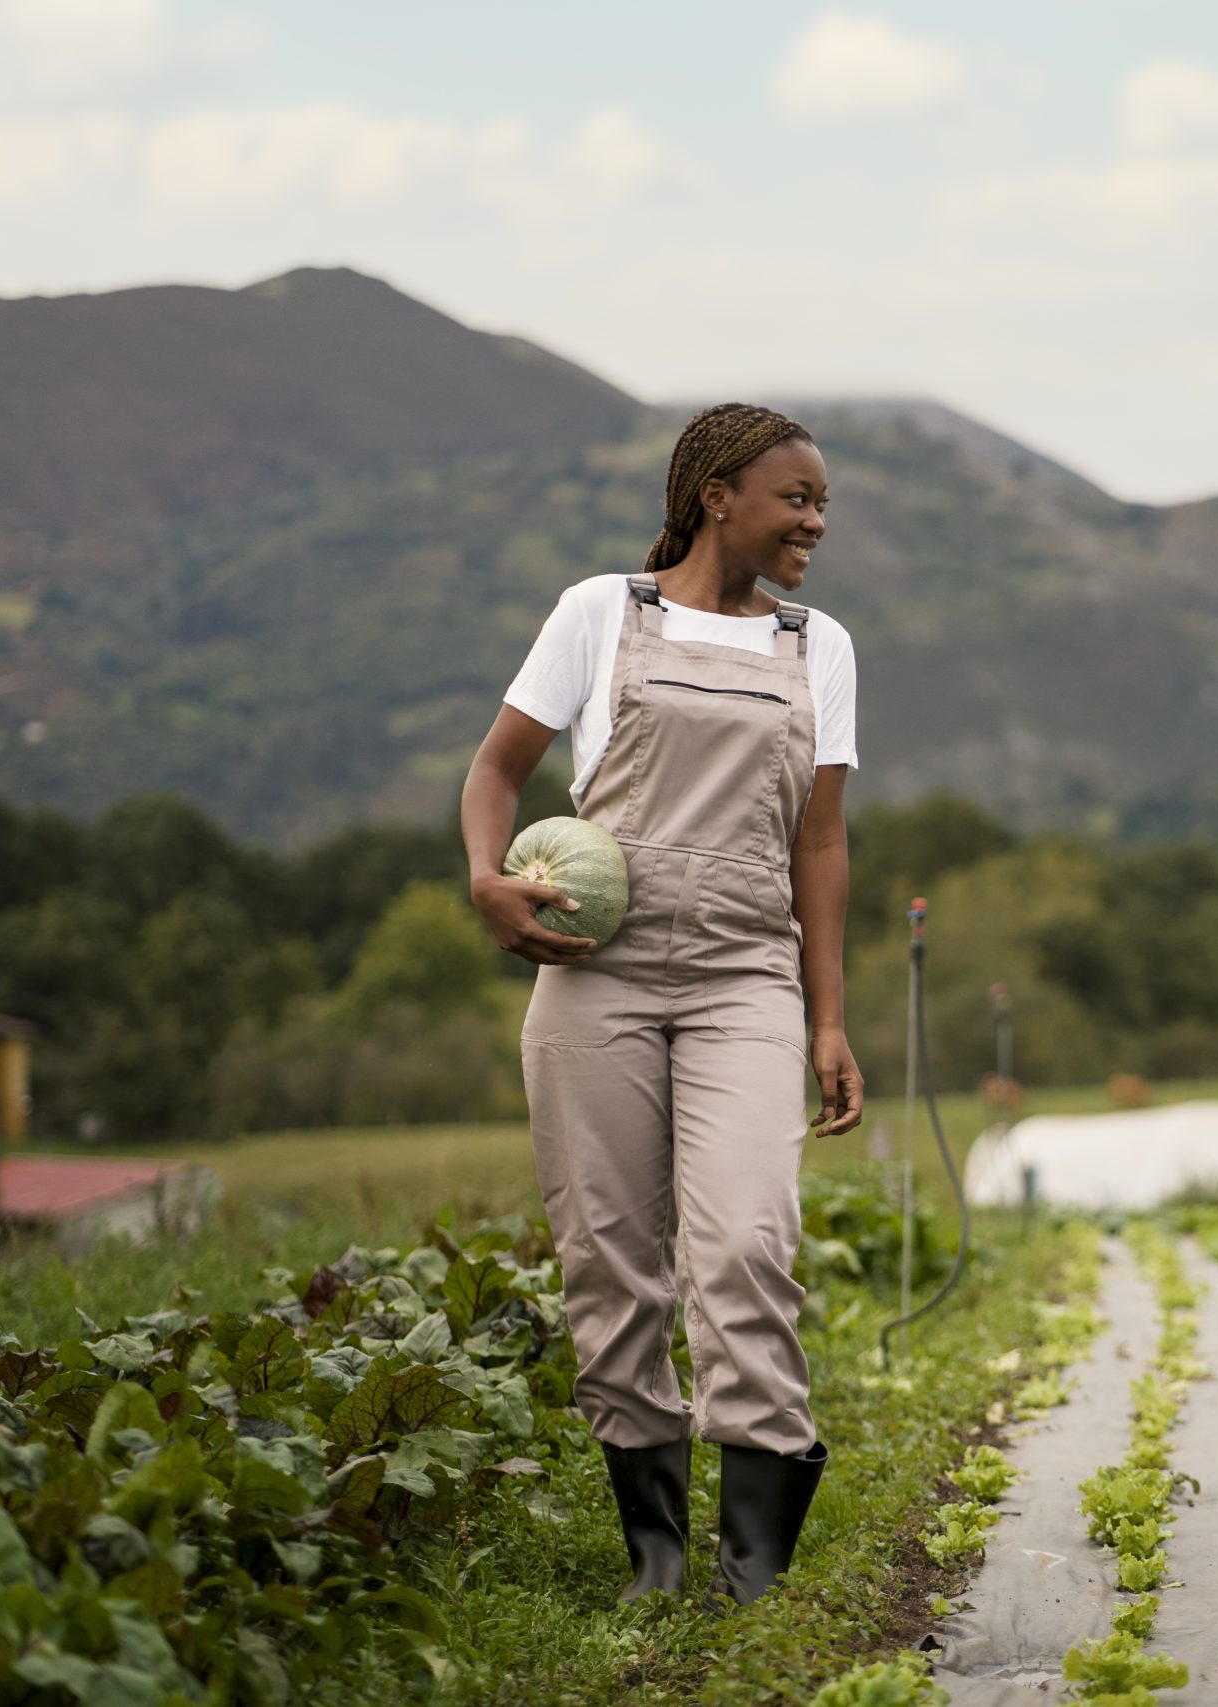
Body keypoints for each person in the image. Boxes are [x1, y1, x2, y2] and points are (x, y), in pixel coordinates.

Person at [461, 403, 865, 1604]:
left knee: (745, 1238)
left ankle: (754, 1554)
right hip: (599, 971)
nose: (816, 523)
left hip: (748, 971)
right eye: (796, 499)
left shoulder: (817, 646)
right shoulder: (603, 613)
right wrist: (487, 881)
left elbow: (823, 842)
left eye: (823, 503)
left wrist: (828, 1020)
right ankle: (654, 1552)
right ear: (716, 497)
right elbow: (497, 767)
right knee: (609, 1257)